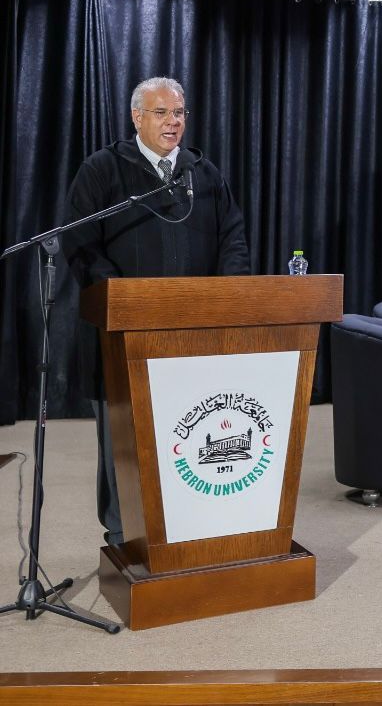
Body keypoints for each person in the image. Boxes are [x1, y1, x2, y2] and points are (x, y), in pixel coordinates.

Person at [63, 76, 251, 547]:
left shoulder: (202, 173)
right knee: (125, 440)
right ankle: (124, 533)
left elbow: (233, 237)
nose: (173, 123)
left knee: (187, 434)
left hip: (194, 333)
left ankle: (188, 528)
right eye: (161, 113)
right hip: (124, 334)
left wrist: (227, 296)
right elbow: (81, 243)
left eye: (179, 113)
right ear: (137, 117)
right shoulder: (104, 169)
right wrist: (124, 299)